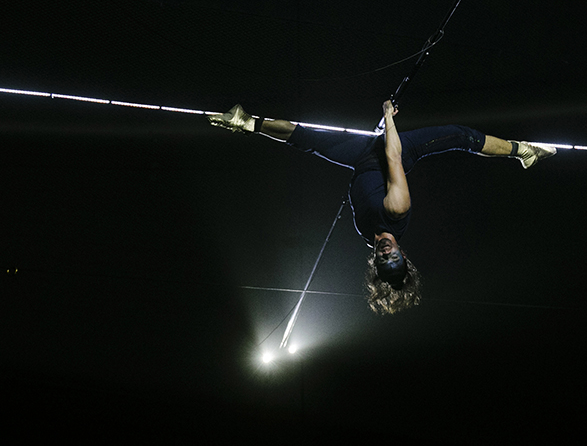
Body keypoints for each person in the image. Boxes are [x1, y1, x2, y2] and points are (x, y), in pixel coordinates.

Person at [208, 101, 555, 314]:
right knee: (459, 135)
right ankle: (522, 151)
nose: (387, 253)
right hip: (394, 153)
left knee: (306, 140)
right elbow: (392, 155)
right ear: (403, 253)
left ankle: (247, 123)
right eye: (396, 258)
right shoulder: (397, 210)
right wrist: (389, 118)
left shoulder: (367, 235)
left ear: (375, 261)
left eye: (383, 260)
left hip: (361, 158)